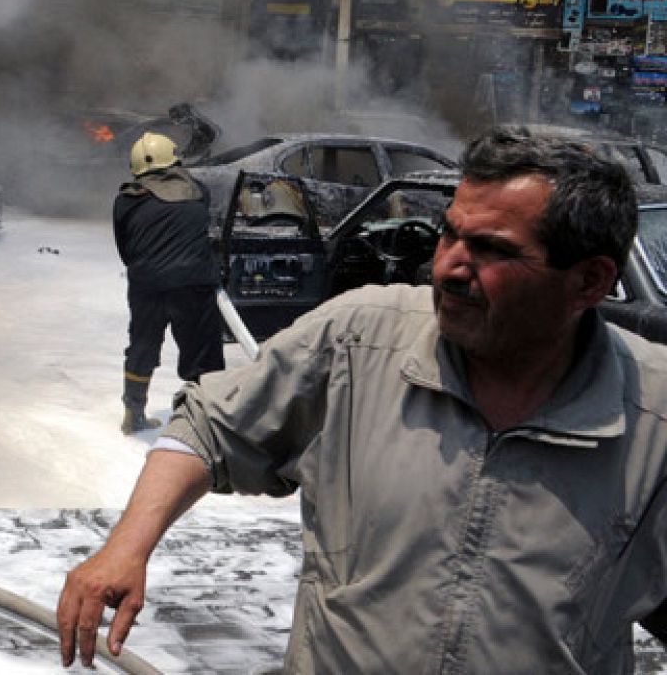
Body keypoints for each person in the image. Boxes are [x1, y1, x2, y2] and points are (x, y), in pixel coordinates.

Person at [58, 126, 667, 672]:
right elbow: (209, 426)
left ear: (589, 280)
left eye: (494, 250)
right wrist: (125, 546)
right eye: (450, 235)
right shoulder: (357, 339)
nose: (450, 267)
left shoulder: (655, 421)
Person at [113, 131, 224, 433]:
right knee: (202, 352)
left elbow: (125, 250)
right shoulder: (197, 190)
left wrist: (148, 268)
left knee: (142, 346)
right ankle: (206, 422)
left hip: (146, 285)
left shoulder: (125, 200)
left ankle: (133, 413)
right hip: (193, 284)